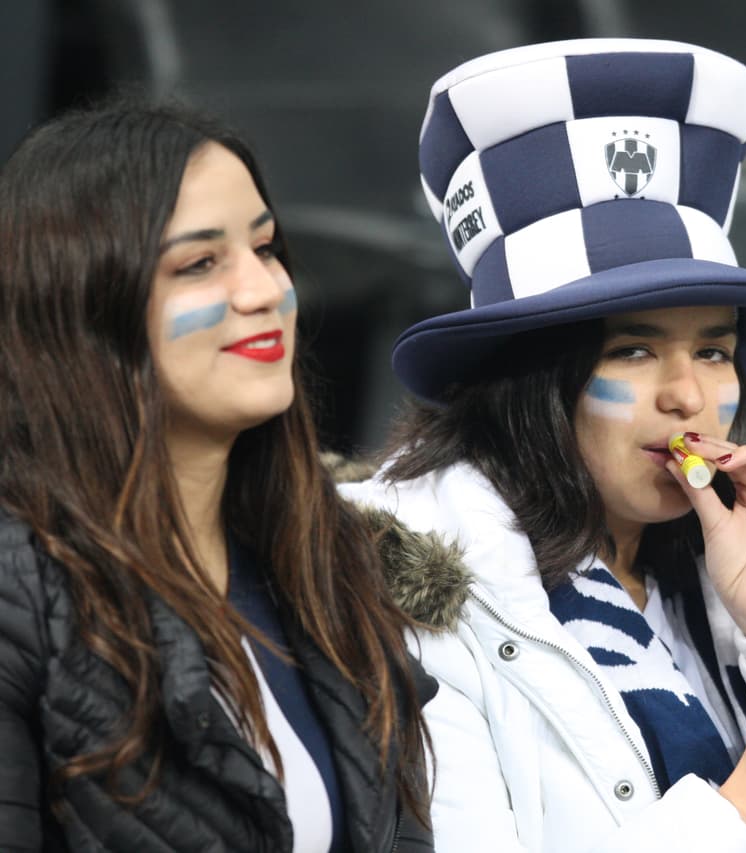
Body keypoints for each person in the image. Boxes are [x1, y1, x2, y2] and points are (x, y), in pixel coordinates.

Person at [344, 39, 746, 852]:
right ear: (528, 376)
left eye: (715, 350)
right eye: (633, 350)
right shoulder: (388, 586)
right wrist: (743, 809)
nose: (687, 395)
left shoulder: (717, 582)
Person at [0, 99, 444, 851]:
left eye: (266, 248)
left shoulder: (331, 560)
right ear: (82, 302)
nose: (264, 290)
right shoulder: (21, 589)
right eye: (200, 263)